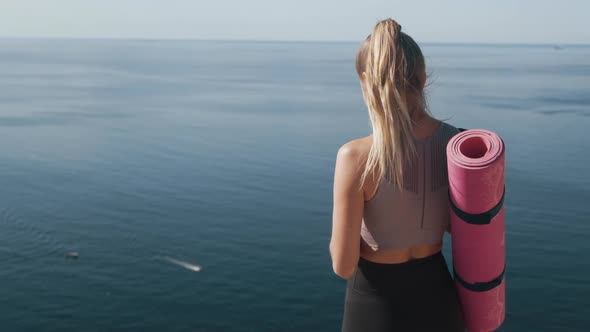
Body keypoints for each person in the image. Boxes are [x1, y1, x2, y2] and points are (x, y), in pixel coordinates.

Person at [329, 18, 465, 332]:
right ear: (423, 77)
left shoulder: (355, 157)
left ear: (366, 80)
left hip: (374, 304)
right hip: (439, 298)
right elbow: (463, 230)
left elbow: (343, 264)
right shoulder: (457, 144)